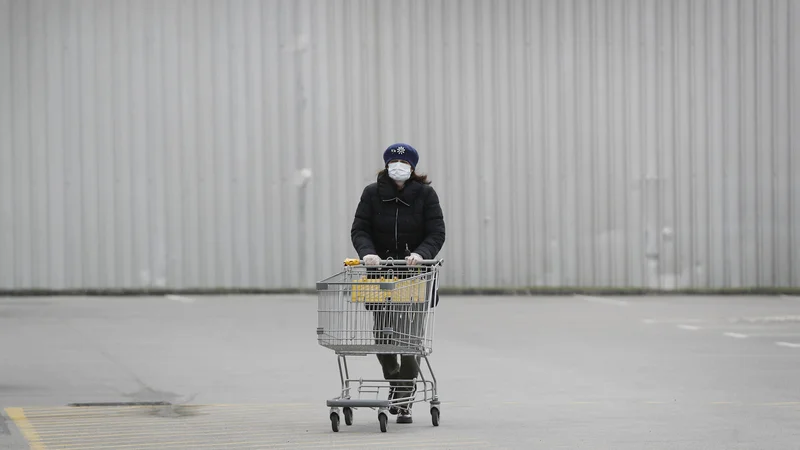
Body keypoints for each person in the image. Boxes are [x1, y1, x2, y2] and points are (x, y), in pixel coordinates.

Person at [350, 143, 446, 424]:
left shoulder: (426, 195)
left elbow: (437, 232)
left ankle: (404, 399)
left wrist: (421, 254)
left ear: (413, 168)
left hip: (416, 275)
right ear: (386, 165)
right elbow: (360, 229)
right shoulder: (371, 193)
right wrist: (367, 253)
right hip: (380, 275)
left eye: (403, 163)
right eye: (393, 162)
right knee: (383, 337)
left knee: (410, 340)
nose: (398, 167)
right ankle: (395, 383)